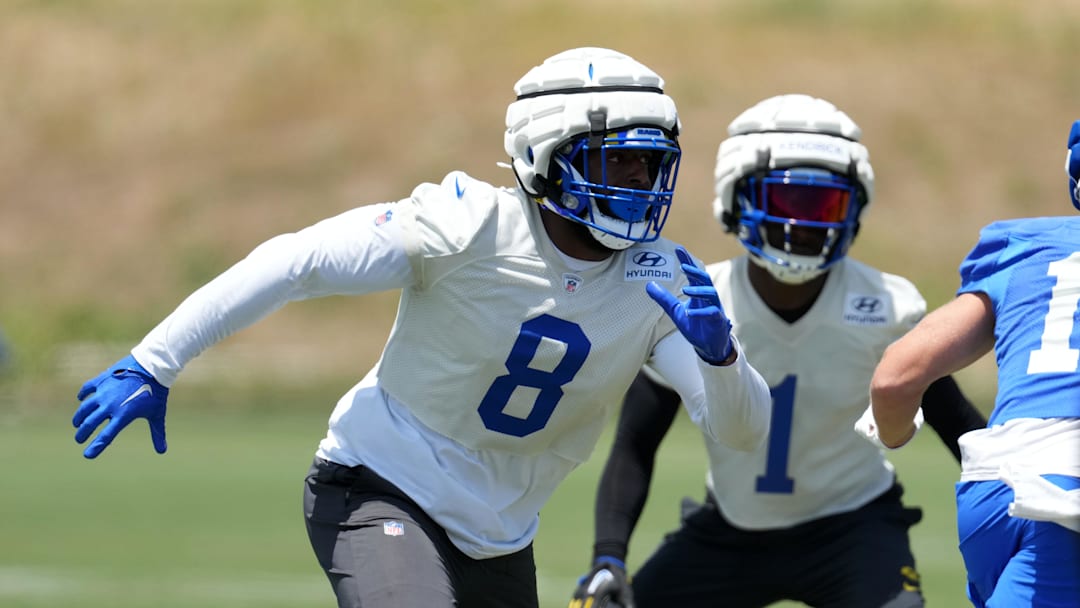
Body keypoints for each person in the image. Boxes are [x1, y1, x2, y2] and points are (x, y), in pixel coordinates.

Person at [70, 47, 774, 608]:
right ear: (547, 154)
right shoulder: (469, 225)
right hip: (381, 482)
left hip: (499, 536)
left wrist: (722, 360)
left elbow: (741, 433)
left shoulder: (666, 278)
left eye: (651, 162)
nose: (639, 181)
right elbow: (299, 261)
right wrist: (154, 360)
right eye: (617, 158)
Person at [569, 94, 988, 608]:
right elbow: (636, 441)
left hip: (853, 529)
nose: (805, 224)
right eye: (787, 202)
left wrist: (1025, 512)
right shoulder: (700, 299)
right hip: (728, 529)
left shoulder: (885, 308)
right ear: (737, 199)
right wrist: (607, 556)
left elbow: (963, 431)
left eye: (825, 205)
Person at [865, 120, 1080, 607]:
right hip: (1064, 495)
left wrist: (894, 435)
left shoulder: (1027, 246)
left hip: (992, 490)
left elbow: (895, 377)